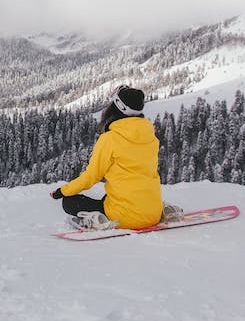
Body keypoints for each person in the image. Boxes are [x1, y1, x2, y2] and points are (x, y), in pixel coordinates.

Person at [50, 84, 163, 229]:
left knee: (69, 202)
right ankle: (154, 209)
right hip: (153, 212)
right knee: (112, 196)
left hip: (124, 218)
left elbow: (91, 176)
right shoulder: (150, 136)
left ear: (116, 108)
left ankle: (97, 221)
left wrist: (62, 191)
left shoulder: (110, 139)